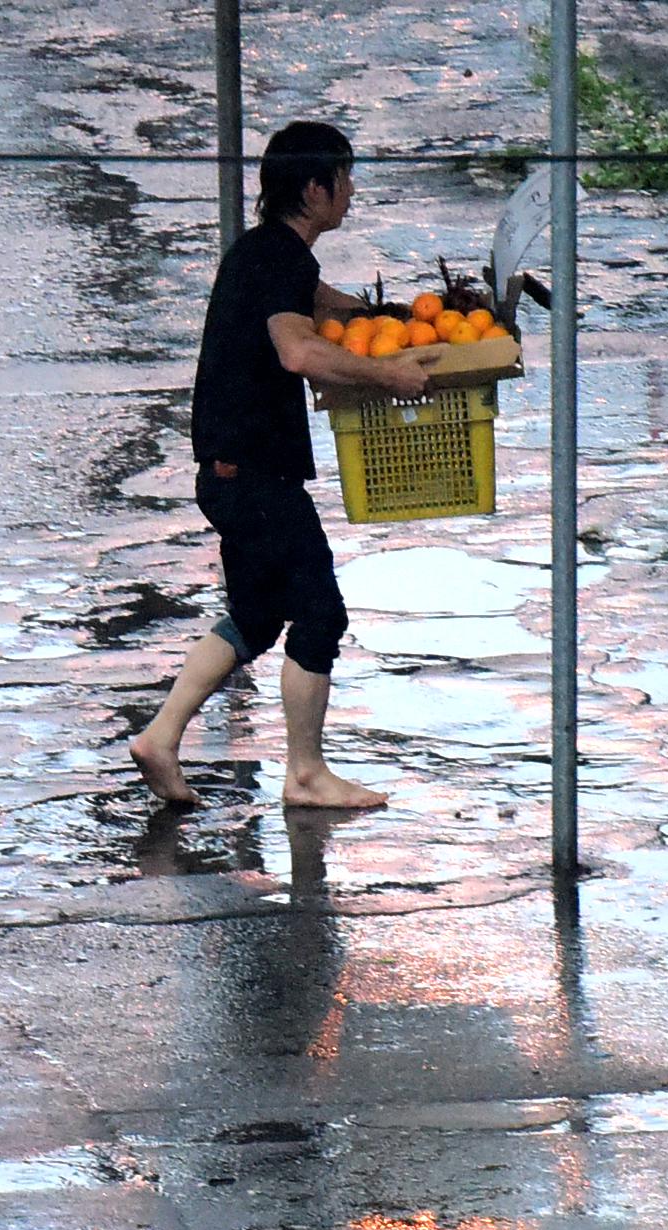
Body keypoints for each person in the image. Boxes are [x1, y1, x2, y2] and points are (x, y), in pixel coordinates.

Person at [130, 121, 439, 810]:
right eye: (345, 178)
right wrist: (388, 376)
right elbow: (299, 352)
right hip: (255, 476)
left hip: (231, 471)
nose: (351, 191)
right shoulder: (278, 258)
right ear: (315, 188)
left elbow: (321, 306)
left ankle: (159, 736)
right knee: (320, 612)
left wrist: (382, 313)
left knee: (259, 613)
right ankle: (306, 774)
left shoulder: (267, 254)